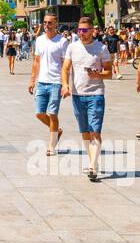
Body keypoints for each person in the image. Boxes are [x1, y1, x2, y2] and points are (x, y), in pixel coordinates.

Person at [61, 17, 113, 181]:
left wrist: (98, 74)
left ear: (92, 30)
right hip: (77, 95)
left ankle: (91, 166)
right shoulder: (72, 47)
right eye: (79, 30)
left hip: (96, 94)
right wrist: (65, 85)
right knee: (84, 132)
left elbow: (109, 73)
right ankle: (93, 161)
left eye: (84, 30)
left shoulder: (101, 48)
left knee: (94, 131)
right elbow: (65, 68)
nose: (81, 34)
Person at [28, 13, 67, 156]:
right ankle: (57, 130)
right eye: (45, 23)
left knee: (52, 113)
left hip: (56, 82)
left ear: (56, 24)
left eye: (50, 23)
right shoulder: (39, 40)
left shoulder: (62, 42)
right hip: (42, 82)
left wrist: (65, 84)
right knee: (39, 113)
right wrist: (32, 80)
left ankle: (51, 145)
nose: (47, 25)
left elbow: (65, 64)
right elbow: (36, 61)